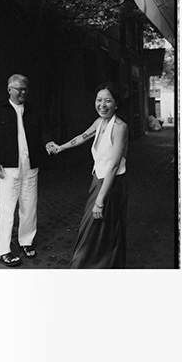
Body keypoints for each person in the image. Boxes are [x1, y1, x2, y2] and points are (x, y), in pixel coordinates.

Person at [47, 83, 129, 269]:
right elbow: (83, 137)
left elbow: (114, 165)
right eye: (99, 100)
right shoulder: (100, 122)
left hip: (111, 184)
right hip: (97, 181)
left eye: (108, 100)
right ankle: (91, 267)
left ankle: (95, 267)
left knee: (100, 228)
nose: (102, 105)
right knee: (94, 228)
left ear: (116, 104)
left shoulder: (119, 127)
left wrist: (100, 200)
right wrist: (61, 147)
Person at [0, 74, 55, 267]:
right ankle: (3, 251)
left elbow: (44, 130)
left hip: (30, 166)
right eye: (19, 89)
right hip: (7, 169)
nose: (23, 92)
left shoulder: (33, 110)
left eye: (25, 89)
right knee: (7, 210)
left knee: (29, 206)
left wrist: (48, 142)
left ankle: (26, 241)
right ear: (9, 89)